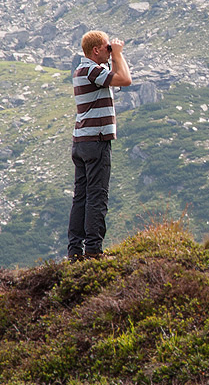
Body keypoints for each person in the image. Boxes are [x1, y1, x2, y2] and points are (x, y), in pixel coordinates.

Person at [69, 30, 132, 261]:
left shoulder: (82, 70)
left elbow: (116, 76)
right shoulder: (92, 70)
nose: (108, 51)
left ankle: (75, 251)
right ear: (96, 50)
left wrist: (113, 56)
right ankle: (93, 251)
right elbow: (125, 79)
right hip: (96, 141)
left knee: (81, 197)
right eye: (105, 48)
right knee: (97, 196)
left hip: (82, 141)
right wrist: (118, 54)